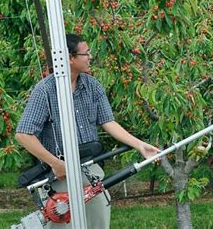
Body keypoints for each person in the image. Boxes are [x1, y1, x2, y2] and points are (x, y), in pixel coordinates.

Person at [15, 33, 161, 228]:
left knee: (98, 218)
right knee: (61, 219)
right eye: (86, 53)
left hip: (89, 168)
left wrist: (140, 146)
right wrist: (55, 163)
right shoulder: (45, 91)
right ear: (69, 57)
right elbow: (23, 134)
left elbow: (109, 123)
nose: (90, 57)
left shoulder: (92, 86)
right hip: (59, 175)